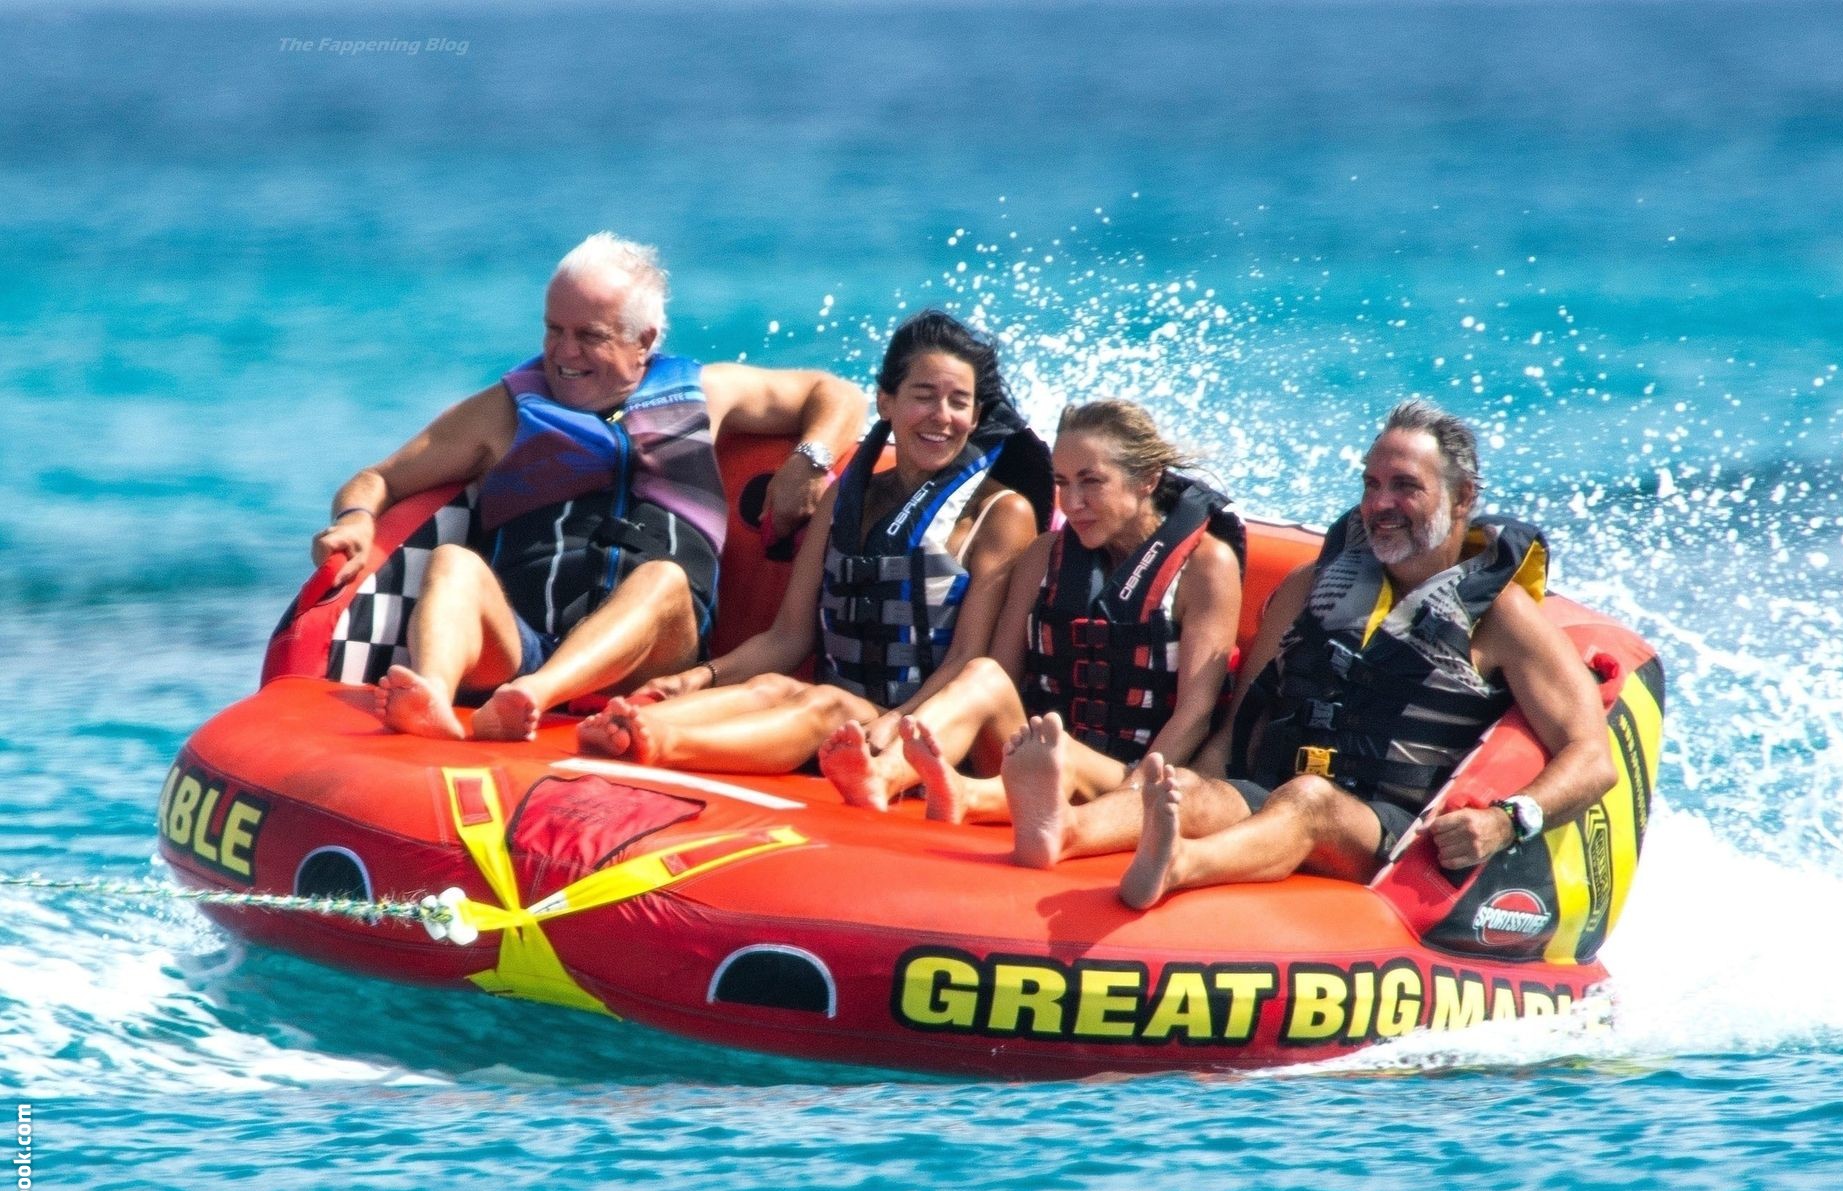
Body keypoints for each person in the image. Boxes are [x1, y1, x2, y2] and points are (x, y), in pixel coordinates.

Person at [1002, 398, 1619, 909]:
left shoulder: (1502, 619)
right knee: (1190, 789)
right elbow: (1241, 721)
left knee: (1309, 801)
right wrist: (1204, 784)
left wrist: (1507, 820)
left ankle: (1181, 865)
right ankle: (1067, 831)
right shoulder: (1311, 590)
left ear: (1462, 499)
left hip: (1388, 837)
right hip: (1272, 795)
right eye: (1371, 485)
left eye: (1405, 486)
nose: (1380, 504)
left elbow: (1592, 757)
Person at [310, 232, 866, 741]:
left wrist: (809, 460)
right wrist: (355, 518)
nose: (563, 352)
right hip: (522, 642)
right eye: (554, 330)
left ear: (644, 340)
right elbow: (377, 479)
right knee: (453, 563)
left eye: (588, 336)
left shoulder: (707, 393)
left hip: (649, 659)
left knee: (664, 579)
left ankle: (535, 697)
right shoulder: (504, 413)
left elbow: (836, 393)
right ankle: (431, 695)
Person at [573, 310, 1047, 772]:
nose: (942, 417)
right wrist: (699, 676)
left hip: (922, 732)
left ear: (976, 415)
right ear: (886, 401)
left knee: (826, 705)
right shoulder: (847, 498)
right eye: (924, 396)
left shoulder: (1001, 514)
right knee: (772, 688)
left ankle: (661, 743)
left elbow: (968, 661)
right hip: (833, 717)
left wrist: (897, 723)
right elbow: (788, 638)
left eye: (959, 402)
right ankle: (630, 723)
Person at [819, 398, 1244, 823]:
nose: (1072, 502)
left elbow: (1196, 714)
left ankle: (969, 793)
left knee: (1061, 752)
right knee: (983, 675)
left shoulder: (1206, 567)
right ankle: (886, 775)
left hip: (1123, 778)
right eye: (1062, 483)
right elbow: (1001, 675)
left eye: (1091, 482)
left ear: (1148, 480)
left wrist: (1129, 801)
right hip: (1030, 754)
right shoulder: (1044, 556)